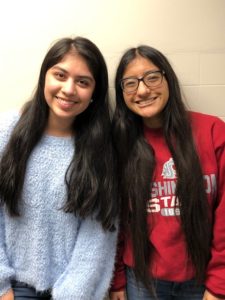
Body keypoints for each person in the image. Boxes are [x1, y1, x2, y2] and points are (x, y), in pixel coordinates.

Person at [0, 36, 119, 300]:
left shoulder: (101, 149)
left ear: (94, 93)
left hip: (75, 292)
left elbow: (98, 235)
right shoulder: (6, 132)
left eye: (83, 82)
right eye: (60, 75)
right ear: (45, 76)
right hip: (14, 288)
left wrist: (73, 294)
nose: (68, 89)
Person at [109, 45, 225, 300]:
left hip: (202, 281)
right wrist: (116, 280)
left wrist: (219, 284)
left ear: (167, 78)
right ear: (122, 92)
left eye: (152, 77)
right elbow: (114, 220)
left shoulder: (213, 131)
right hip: (140, 281)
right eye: (130, 83)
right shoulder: (119, 145)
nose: (142, 90)